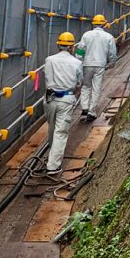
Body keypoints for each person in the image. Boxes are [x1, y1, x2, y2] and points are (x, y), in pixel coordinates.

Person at [43, 32, 83, 178]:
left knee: (52, 127)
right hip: (66, 99)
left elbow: (47, 77)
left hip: (49, 98)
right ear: (72, 46)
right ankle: (53, 166)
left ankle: (51, 155)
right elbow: (79, 82)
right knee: (61, 131)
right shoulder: (77, 63)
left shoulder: (49, 60)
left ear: (57, 45)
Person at [77, 15, 117, 122]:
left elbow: (80, 50)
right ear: (104, 24)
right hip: (100, 65)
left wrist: (79, 61)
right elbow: (112, 52)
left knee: (86, 86)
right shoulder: (108, 37)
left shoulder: (86, 35)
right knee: (96, 88)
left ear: (93, 24)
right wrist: (112, 63)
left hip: (87, 64)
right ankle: (91, 111)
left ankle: (84, 107)